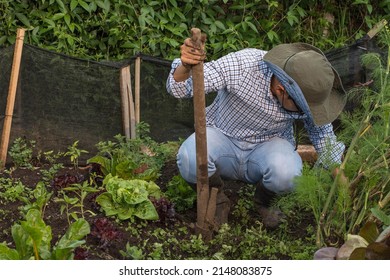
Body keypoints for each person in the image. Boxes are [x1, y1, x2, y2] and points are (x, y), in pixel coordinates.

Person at [166, 35, 347, 229]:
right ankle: (217, 200)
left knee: (288, 174)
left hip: (268, 146)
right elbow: (180, 89)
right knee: (189, 158)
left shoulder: (307, 91)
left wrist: (341, 177)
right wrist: (186, 65)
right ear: (281, 90)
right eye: (303, 108)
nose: (307, 113)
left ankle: (263, 204)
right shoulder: (244, 66)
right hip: (223, 136)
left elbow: (324, 136)